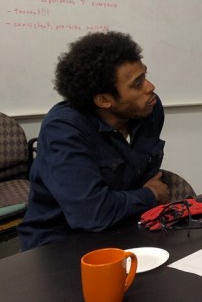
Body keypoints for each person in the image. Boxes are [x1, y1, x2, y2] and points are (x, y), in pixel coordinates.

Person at [19, 31, 169, 250]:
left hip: (127, 228)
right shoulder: (63, 130)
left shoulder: (148, 109)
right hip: (61, 244)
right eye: (137, 84)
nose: (150, 87)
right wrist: (150, 194)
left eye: (144, 75)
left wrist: (133, 200)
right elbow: (92, 214)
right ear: (104, 100)